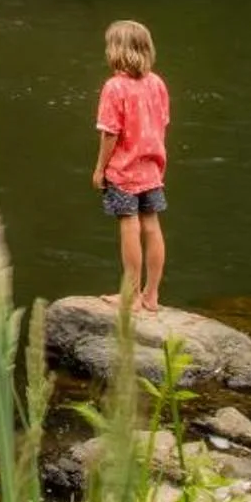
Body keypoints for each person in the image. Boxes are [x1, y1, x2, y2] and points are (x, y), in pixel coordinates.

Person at [92, 18, 170, 311]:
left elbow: (110, 133)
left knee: (129, 226)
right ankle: (152, 294)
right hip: (152, 168)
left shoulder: (115, 87)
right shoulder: (157, 83)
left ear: (117, 51)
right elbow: (163, 122)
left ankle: (132, 296)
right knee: (152, 225)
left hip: (123, 170)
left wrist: (100, 168)